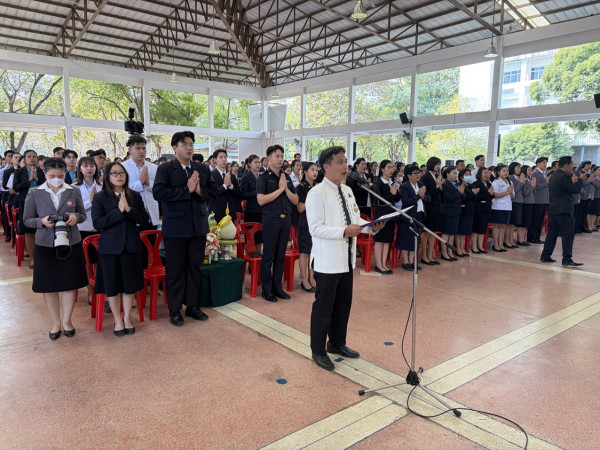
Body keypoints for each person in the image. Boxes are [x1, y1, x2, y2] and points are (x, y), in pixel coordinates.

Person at [305, 146, 382, 371]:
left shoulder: (347, 190)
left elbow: (355, 220)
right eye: (340, 162)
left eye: (346, 161)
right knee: (324, 308)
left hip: (347, 260)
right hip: (327, 261)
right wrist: (343, 231)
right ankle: (318, 350)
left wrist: (371, 228)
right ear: (326, 167)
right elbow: (315, 228)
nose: (345, 166)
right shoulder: (316, 193)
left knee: (343, 305)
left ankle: (337, 343)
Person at [153, 131, 217, 326]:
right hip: (176, 229)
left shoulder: (202, 169)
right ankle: (175, 309)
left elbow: (214, 191)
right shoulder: (166, 169)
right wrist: (186, 190)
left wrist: (199, 191)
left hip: (198, 227)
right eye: (185, 144)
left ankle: (192, 305)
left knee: (194, 268)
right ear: (175, 148)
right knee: (176, 270)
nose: (189, 148)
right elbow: (158, 193)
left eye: (191, 144)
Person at [23, 157, 87, 340]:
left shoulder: (73, 191)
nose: (57, 179)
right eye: (52, 176)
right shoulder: (35, 193)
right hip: (45, 243)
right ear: (45, 174)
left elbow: (82, 214)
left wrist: (75, 217)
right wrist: (42, 222)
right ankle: (55, 323)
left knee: (69, 283)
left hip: (70, 242)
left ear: (65, 174)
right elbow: (27, 220)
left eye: (60, 176)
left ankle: (67, 321)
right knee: (49, 285)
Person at [92, 162, 149, 336]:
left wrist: (129, 210)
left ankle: (127, 318)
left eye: (122, 173)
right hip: (110, 248)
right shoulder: (101, 197)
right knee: (113, 285)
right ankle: (117, 320)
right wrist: (118, 211)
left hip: (131, 246)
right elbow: (98, 223)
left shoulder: (134, 196)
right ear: (107, 177)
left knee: (129, 285)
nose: (119, 176)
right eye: (114, 173)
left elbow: (144, 219)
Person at [256, 145, 298, 303]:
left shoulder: (286, 177)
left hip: (286, 219)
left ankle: (277, 287)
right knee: (269, 255)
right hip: (270, 219)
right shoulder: (263, 177)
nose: (281, 159)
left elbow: (296, 200)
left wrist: (285, 188)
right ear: (269, 159)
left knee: (280, 255)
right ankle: (266, 290)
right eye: (277, 156)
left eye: (282, 156)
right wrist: (280, 190)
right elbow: (261, 200)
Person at [540, 156, 585, 267]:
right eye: (572, 165)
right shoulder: (563, 176)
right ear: (566, 165)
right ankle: (567, 259)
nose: (573, 167)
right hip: (563, 210)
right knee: (568, 235)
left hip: (554, 209)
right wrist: (581, 180)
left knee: (552, 234)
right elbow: (574, 190)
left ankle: (546, 255)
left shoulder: (555, 175)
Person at [73, 156, 102, 304]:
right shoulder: (74, 187)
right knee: (87, 263)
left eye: (92, 165)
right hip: (83, 229)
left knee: (101, 262)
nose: (89, 169)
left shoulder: (103, 185)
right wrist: (90, 202)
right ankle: (90, 291)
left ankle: (102, 290)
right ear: (80, 169)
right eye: (85, 166)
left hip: (101, 228)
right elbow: (74, 210)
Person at [13, 150, 45, 269]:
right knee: (28, 231)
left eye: (34, 157)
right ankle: (32, 259)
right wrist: (29, 180)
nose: (32, 159)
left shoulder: (41, 171)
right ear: (25, 159)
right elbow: (16, 187)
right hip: (25, 203)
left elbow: (46, 185)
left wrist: (37, 179)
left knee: (42, 229)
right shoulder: (19, 171)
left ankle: (42, 257)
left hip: (41, 203)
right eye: (29, 156)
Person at [122, 135, 160, 230]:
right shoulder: (123, 167)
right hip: (132, 214)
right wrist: (140, 183)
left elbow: (159, 189)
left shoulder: (154, 168)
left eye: (144, 148)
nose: (142, 151)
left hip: (151, 213)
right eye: (138, 148)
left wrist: (148, 183)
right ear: (130, 150)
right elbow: (121, 190)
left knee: (151, 238)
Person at [395, 165, 429, 270]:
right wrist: (418, 196)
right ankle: (406, 262)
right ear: (409, 175)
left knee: (416, 239)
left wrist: (423, 196)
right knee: (406, 239)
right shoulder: (404, 186)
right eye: (416, 173)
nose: (418, 175)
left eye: (419, 173)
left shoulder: (421, 184)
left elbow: (429, 198)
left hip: (419, 214)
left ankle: (412, 261)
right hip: (408, 216)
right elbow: (406, 202)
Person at [373, 160, 399, 274]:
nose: (391, 170)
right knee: (380, 240)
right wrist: (391, 193)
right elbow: (378, 201)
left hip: (391, 214)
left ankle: (384, 264)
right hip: (381, 214)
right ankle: (379, 265)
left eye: (392, 167)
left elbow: (397, 199)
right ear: (382, 169)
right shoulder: (378, 183)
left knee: (387, 240)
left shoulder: (392, 182)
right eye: (389, 167)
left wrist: (395, 192)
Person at [296, 161, 318, 292]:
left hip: (316, 222)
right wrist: (313, 198)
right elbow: (300, 208)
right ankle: (304, 280)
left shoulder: (317, 186)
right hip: (305, 223)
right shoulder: (301, 187)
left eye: (316, 170)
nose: (315, 172)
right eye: (312, 170)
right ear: (305, 172)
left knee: (314, 252)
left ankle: (311, 277)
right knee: (305, 252)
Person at [421, 157, 443, 264]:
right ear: (431, 164)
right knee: (427, 232)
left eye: (439, 164)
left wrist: (440, 187)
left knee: (433, 232)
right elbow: (428, 194)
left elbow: (439, 193)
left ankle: (430, 256)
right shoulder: (425, 177)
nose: (438, 166)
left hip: (436, 207)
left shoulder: (437, 176)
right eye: (436, 164)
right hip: (429, 208)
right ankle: (424, 256)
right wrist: (437, 185)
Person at [210, 149, 242, 222]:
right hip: (216, 214)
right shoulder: (211, 176)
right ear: (215, 160)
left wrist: (231, 186)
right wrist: (224, 186)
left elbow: (239, 194)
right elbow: (211, 194)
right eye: (221, 157)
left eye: (225, 157)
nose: (224, 159)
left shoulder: (231, 176)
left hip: (230, 214)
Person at [240, 155, 263, 252]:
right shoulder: (246, 177)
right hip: (251, 211)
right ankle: (249, 258)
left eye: (259, 162)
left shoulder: (262, 176)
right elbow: (243, 194)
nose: (258, 164)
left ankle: (258, 257)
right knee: (250, 237)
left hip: (261, 210)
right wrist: (257, 192)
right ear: (249, 164)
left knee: (259, 238)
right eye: (255, 162)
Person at [440, 166, 463, 261]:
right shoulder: (446, 184)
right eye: (453, 173)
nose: (455, 175)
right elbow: (448, 198)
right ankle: (444, 252)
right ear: (447, 174)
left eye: (456, 173)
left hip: (456, 211)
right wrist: (459, 192)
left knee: (453, 233)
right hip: (448, 211)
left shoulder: (457, 184)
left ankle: (450, 251)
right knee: (446, 232)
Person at [490, 165, 514, 252]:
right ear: (498, 172)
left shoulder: (510, 182)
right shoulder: (496, 182)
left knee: (503, 226)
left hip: (507, 207)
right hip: (498, 207)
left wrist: (510, 192)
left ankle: (501, 243)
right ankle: (495, 244)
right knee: (497, 226)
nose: (506, 172)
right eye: (503, 171)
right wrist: (508, 192)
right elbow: (496, 195)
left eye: (507, 171)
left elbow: (513, 196)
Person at [470, 168, 494, 253]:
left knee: (483, 229)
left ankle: (480, 246)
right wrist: (488, 193)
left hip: (486, 208)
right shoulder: (476, 184)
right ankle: (474, 247)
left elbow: (491, 196)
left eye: (487, 173)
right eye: (485, 173)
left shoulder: (488, 184)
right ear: (480, 174)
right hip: (478, 209)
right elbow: (475, 197)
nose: (486, 175)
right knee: (476, 228)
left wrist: (491, 194)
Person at [455, 169, 478, 257]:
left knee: (465, 232)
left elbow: (473, 199)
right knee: (460, 231)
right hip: (462, 210)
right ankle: (458, 248)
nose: (469, 176)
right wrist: (472, 193)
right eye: (466, 175)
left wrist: (475, 194)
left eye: (469, 175)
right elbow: (463, 198)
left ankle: (463, 248)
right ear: (461, 177)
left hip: (470, 210)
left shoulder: (470, 186)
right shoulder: (459, 186)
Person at [527, 157, 548, 244]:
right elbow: (536, 186)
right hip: (538, 200)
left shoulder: (544, 173)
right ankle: (532, 237)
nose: (545, 164)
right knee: (535, 220)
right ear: (538, 163)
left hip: (544, 200)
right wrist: (546, 182)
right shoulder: (535, 173)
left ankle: (537, 237)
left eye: (546, 163)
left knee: (540, 221)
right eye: (544, 162)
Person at [507, 162, 525, 248]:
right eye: (517, 167)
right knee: (510, 223)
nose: (519, 169)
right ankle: (507, 240)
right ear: (512, 168)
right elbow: (514, 191)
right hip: (513, 201)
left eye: (520, 168)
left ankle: (510, 239)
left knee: (513, 224)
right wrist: (521, 182)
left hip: (519, 201)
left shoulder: (517, 177)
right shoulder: (510, 177)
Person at [518, 165, 535, 246]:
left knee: (526, 222)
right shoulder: (523, 180)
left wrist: (533, 186)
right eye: (529, 170)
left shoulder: (529, 179)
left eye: (531, 170)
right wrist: (532, 186)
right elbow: (525, 193)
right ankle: (520, 239)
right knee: (522, 222)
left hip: (530, 202)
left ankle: (523, 239)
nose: (530, 171)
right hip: (525, 203)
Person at [1, 150, 14, 242]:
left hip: (16, 192)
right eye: (9, 156)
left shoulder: (19, 169)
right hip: (6, 193)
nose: (10, 157)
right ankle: (8, 234)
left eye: (12, 156)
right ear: (5, 158)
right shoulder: (2, 170)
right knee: (6, 214)